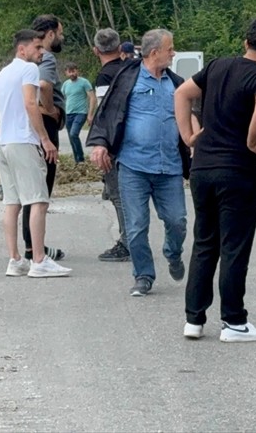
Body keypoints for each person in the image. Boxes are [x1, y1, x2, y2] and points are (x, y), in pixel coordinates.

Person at [174, 17, 256, 342]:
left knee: (205, 243)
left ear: (245, 42)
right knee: (234, 246)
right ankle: (234, 321)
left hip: (203, 168)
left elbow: (181, 93)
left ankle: (194, 319)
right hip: (236, 170)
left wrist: (189, 137)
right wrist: (253, 142)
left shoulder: (218, 66)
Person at [88, 29, 190, 296]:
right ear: (154, 52)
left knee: (177, 220)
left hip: (169, 167)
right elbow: (107, 111)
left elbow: (193, 117)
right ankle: (143, 275)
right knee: (136, 227)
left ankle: (172, 251)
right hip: (133, 166)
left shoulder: (176, 83)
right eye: (170, 48)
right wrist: (100, 143)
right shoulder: (128, 77)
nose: (174, 52)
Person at [0, 29, 71, 279]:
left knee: (12, 203)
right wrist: (45, 139)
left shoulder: (4, 72)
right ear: (22, 49)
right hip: (24, 141)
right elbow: (31, 103)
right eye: (37, 47)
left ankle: (15, 259)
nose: (41, 52)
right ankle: (39, 260)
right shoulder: (28, 69)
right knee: (38, 200)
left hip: (4, 144)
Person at [20, 14, 66, 262]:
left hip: (26, 127)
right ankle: (35, 249)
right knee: (41, 190)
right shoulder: (45, 56)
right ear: (50, 34)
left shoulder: (23, 56)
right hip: (44, 124)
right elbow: (45, 85)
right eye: (60, 32)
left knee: (29, 191)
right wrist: (49, 108)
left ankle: (30, 247)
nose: (62, 37)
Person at [92, 28, 131, 262]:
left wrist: (102, 143)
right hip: (135, 138)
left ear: (96, 50)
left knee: (118, 195)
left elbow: (106, 111)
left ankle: (127, 242)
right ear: (119, 48)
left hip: (116, 142)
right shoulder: (131, 68)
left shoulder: (105, 76)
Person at [61, 61, 96, 163]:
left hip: (81, 113)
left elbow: (92, 98)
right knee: (71, 138)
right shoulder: (65, 84)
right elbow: (62, 98)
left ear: (77, 71)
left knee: (73, 134)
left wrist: (90, 114)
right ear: (66, 73)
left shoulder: (84, 82)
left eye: (74, 71)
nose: (72, 74)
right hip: (68, 114)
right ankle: (76, 160)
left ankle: (80, 159)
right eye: (70, 72)